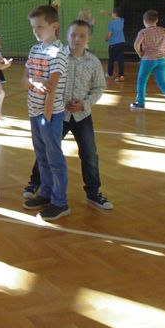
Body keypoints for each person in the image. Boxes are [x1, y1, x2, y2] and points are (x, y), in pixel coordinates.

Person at [23, 21, 113, 209]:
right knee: (47, 150)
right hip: (59, 114)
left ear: (89, 38)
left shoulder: (93, 62)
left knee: (89, 154)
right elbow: (44, 81)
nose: (77, 39)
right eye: (73, 35)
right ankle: (36, 182)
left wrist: (85, 104)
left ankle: (93, 192)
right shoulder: (58, 55)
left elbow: (98, 88)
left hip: (82, 116)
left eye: (82, 35)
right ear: (66, 36)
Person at [22, 5, 70, 221]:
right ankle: (46, 192)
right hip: (34, 112)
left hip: (49, 115)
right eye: (33, 27)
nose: (36, 31)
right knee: (41, 156)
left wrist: (46, 118)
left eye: (40, 26)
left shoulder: (58, 53)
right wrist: (35, 80)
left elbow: (52, 89)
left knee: (54, 158)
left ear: (54, 26)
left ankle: (60, 202)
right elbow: (24, 80)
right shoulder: (35, 50)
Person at [130, 10, 165, 115]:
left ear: (144, 21)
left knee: (142, 80)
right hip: (162, 59)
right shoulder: (162, 30)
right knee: (162, 82)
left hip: (148, 60)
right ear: (157, 20)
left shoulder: (143, 32)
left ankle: (140, 103)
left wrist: (139, 53)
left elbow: (136, 44)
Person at [105, 7, 126, 81]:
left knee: (111, 59)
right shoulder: (122, 20)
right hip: (122, 43)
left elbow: (110, 34)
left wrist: (106, 39)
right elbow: (117, 15)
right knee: (120, 60)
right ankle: (121, 75)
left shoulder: (111, 23)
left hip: (114, 44)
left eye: (112, 13)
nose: (111, 14)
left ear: (114, 14)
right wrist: (107, 13)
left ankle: (109, 74)